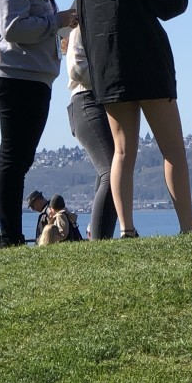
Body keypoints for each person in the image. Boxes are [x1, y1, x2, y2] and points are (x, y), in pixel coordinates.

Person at [77, 0, 192, 237]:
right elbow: (171, 4)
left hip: (110, 74)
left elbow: (84, 27)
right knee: (172, 150)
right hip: (149, 68)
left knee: (122, 152)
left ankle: (127, 229)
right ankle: (187, 228)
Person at [0, 0, 77, 246]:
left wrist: (59, 31)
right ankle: (11, 237)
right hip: (14, 76)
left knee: (19, 158)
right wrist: (57, 20)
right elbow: (13, 28)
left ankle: (12, 235)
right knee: (14, 157)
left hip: (30, 77)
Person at [66, 26, 118, 240]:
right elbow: (77, 70)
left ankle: (101, 237)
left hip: (106, 103)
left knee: (110, 170)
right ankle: (99, 240)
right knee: (111, 171)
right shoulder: (80, 30)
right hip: (87, 101)